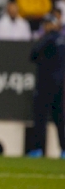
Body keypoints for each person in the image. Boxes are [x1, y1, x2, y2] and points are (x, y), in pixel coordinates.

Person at [28, 15, 65, 159]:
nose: (47, 26)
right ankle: (60, 150)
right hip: (58, 85)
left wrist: (45, 37)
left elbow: (33, 54)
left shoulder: (49, 39)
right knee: (58, 119)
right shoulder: (60, 40)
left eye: (49, 24)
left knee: (43, 119)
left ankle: (38, 149)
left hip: (46, 85)